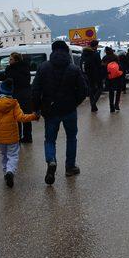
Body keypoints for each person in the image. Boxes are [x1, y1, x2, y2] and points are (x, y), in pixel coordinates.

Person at [32, 40, 88, 185]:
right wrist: (74, 103)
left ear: (53, 51)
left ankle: (51, 160)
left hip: (50, 111)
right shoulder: (73, 68)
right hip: (69, 110)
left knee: (50, 140)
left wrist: (37, 108)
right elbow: (83, 91)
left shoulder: (43, 67)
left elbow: (35, 90)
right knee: (71, 138)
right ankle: (70, 167)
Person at [0, 79, 39, 188]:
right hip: (12, 137)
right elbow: (21, 118)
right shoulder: (14, 103)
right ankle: (10, 172)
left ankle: (5, 172)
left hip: (0, 138)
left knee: (4, 155)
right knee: (13, 156)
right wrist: (33, 116)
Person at [0, 52, 33, 143]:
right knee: (25, 116)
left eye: (11, 59)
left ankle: (18, 137)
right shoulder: (25, 67)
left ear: (16, 60)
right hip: (26, 94)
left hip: (17, 95)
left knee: (17, 117)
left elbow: (8, 81)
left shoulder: (11, 69)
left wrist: (4, 77)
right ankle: (27, 137)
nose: (9, 61)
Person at [80, 40, 103, 112]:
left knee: (91, 89)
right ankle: (93, 104)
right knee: (100, 88)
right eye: (97, 45)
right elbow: (99, 65)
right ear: (95, 46)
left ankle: (93, 107)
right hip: (96, 74)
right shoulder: (95, 54)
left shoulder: (84, 53)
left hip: (87, 74)